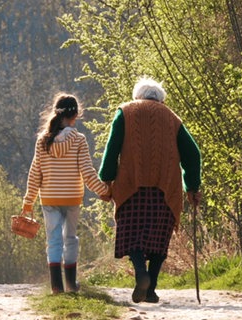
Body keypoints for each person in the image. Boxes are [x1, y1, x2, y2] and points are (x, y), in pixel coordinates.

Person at [98, 77, 202, 303]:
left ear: (137, 96)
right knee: (158, 238)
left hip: (131, 187)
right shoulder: (172, 118)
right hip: (164, 189)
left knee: (132, 235)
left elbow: (112, 147)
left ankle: (140, 274)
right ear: (160, 99)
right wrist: (192, 186)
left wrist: (106, 178)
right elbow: (193, 155)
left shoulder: (125, 112)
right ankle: (151, 288)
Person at [22, 93, 111, 294]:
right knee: (70, 238)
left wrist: (28, 201)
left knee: (53, 240)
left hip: (49, 199)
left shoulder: (43, 141)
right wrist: (104, 191)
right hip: (72, 198)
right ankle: (71, 285)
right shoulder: (78, 140)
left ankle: (56, 287)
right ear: (76, 115)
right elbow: (87, 173)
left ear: (56, 113)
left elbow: (35, 172)